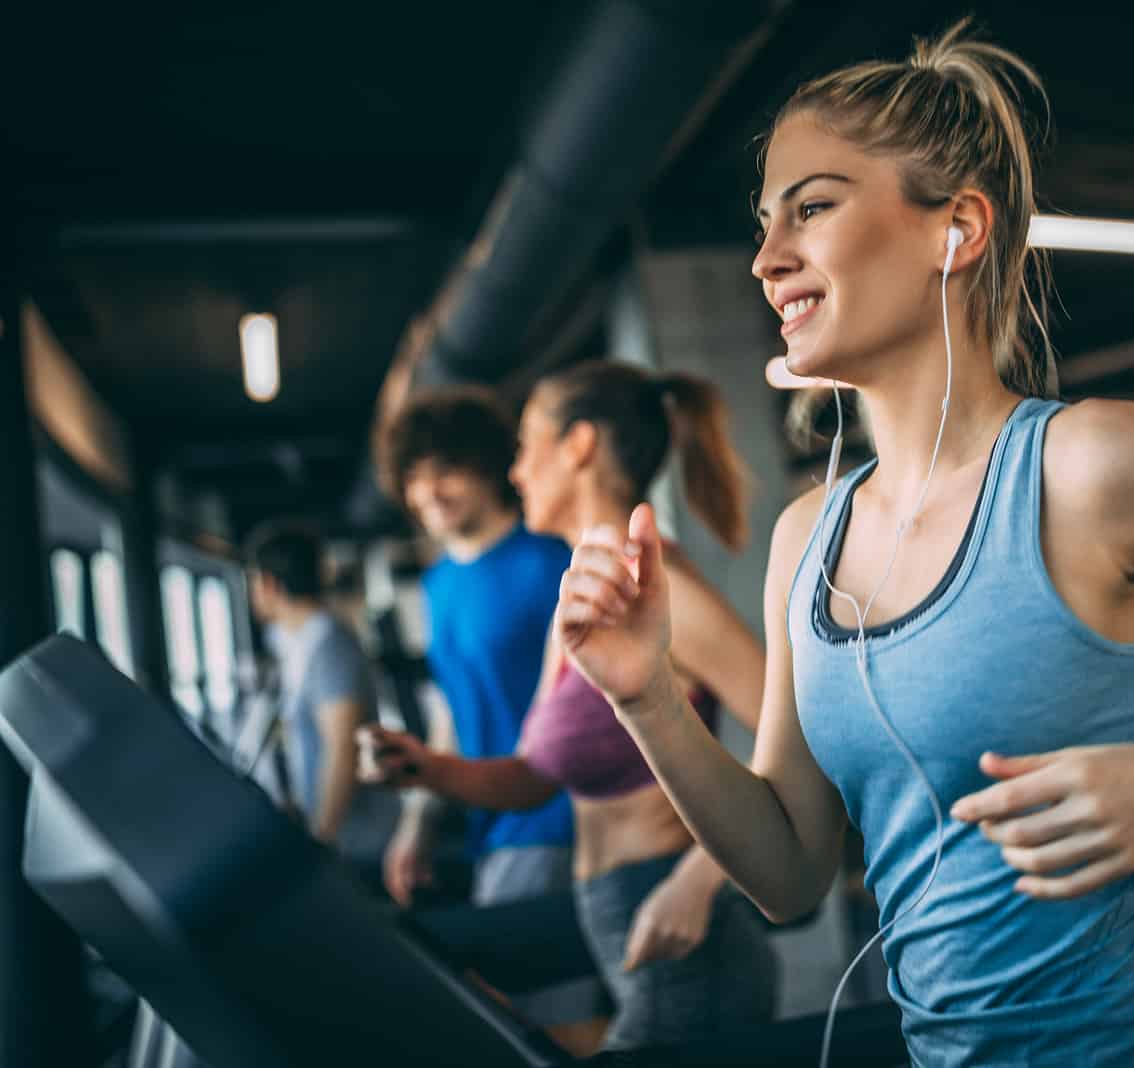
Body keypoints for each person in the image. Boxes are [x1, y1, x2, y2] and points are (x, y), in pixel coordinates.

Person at [550, 21, 1134, 1068]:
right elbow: (791, 874)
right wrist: (646, 698)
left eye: (814, 207)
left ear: (955, 229)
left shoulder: (1092, 466)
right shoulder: (809, 538)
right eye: (765, 222)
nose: (765, 258)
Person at [363, 361, 776, 1052]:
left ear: (578, 446)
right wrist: (425, 769)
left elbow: (806, 741)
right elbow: (532, 776)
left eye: (526, 447)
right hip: (610, 918)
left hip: (680, 931)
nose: (516, 471)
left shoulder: (657, 584)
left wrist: (699, 878)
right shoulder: (576, 596)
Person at [375, 386, 575, 909]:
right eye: (413, 478)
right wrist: (417, 824)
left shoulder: (553, 561)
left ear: (489, 468)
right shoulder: (436, 584)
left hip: (555, 822)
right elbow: (452, 711)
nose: (428, 492)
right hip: (481, 821)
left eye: (445, 471)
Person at [244, 521, 379, 850]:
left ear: (268, 584)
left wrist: (323, 838)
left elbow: (341, 748)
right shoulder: (294, 641)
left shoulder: (329, 644)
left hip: (354, 841)